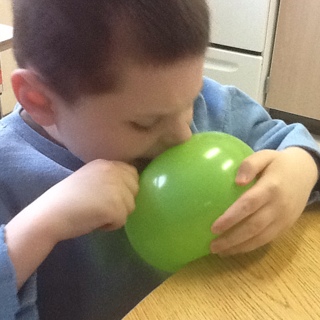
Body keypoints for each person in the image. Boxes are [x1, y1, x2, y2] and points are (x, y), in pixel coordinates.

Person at [1, 0, 319, 319]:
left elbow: (284, 139)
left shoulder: (194, 102)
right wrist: (37, 228)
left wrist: (301, 167)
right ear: (38, 99)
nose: (184, 135)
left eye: (190, 100)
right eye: (145, 124)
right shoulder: (7, 171)